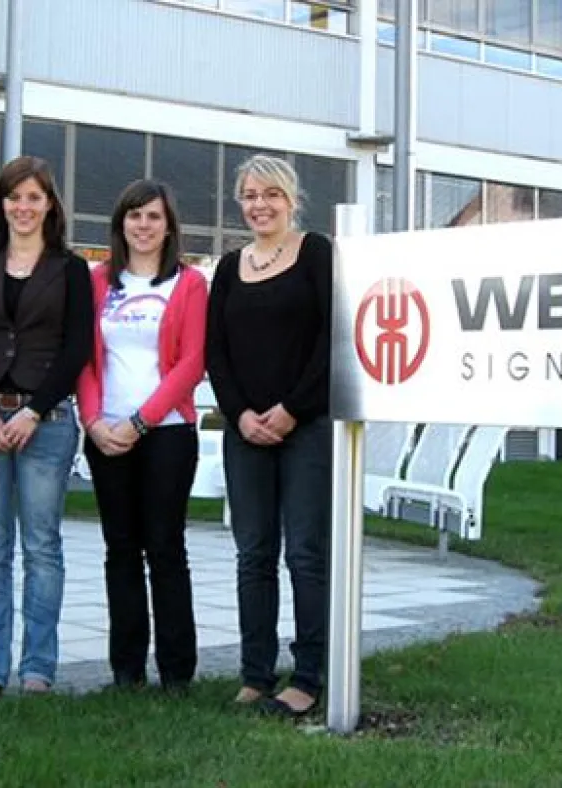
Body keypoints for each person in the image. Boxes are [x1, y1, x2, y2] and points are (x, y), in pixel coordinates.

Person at [0, 156, 92, 698]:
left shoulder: (69, 269)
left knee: (42, 544)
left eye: (34, 197)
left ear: (49, 204)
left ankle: (37, 667)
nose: (23, 207)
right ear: (1, 204)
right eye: (14, 197)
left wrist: (33, 411)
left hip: (46, 421)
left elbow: (76, 348)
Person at [205, 155, 333, 717]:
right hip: (244, 431)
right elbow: (216, 352)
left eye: (271, 195)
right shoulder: (231, 267)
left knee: (305, 555)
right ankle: (256, 673)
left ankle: (309, 675)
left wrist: (290, 409)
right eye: (250, 195)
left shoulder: (317, 253)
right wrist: (241, 414)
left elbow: (333, 339)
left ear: (291, 199)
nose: (260, 205)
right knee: (253, 555)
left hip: (305, 428)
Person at [76, 179, 207, 693]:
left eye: (154, 217)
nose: (144, 226)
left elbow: (192, 362)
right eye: (135, 216)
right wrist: (95, 423)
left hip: (167, 433)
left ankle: (177, 671)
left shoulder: (189, 284)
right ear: (121, 224)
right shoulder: (98, 280)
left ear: (169, 225)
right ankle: (126, 669)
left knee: (165, 547)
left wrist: (139, 422)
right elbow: (85, 358)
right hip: (106, 432)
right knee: (121, 549)